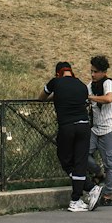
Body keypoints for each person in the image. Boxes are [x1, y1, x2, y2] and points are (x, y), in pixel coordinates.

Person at [41, 60, 102, 213]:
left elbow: (41, 97)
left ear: (57, 73)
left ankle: (80, 196)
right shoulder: (81, 85)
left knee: (65, 159)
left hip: (67, 126)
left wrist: (56, 96)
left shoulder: (56, 82)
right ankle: (86, 192)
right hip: (84, 126)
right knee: (80, 162)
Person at [87, 55, 112, 206]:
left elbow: (108, 99)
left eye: (96, 72)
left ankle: (107, 195)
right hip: (95, 128)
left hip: (110, 128)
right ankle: (98, 173)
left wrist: (91, 97)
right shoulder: (90, 85)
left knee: (110, 164)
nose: (93, 75)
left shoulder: (109, 83)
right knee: (82, 153)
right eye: (91, 71)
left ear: (103, 72)